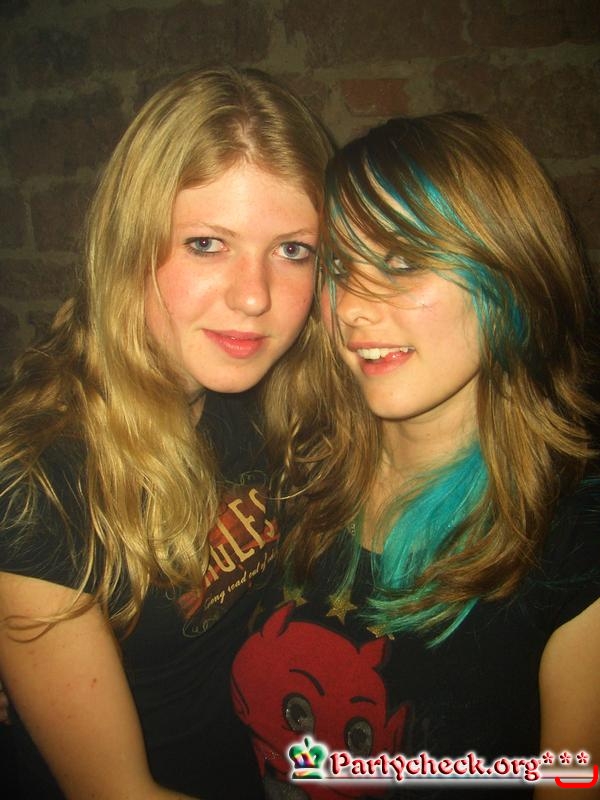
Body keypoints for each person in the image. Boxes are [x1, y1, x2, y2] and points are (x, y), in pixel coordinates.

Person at [231, 112, 600, 799]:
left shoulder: (572, 542)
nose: (351, 308)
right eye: (339, 267)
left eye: (402, 262)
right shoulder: (292, 469)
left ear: (513, 275)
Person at [0, 66, 333, 799]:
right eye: (207, 244)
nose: (255, 297)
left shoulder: (252, 395)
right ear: (129, 246)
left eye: (293, 250)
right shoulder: (38, 487)